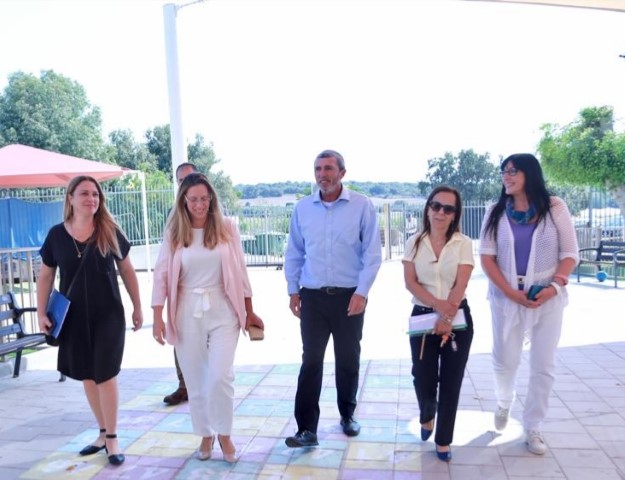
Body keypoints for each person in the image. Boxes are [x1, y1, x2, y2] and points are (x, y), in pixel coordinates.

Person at [151, 172, 264, 463]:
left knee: (220, 376)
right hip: (186, 310)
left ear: (211, 198)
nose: (200, 205)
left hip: (224, 308)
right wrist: (158, 314)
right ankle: (205, 434)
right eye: (193, 200)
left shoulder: (227, 227)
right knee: (195, 379)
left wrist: (249, 310)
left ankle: (224, 434)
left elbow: (240, 271)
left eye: (204, 198)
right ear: (184, 201)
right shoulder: (175, 231)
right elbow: (161, 273)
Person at [36, 175, 143, 466]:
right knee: (87, 374)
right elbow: (45, 276)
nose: (91, 199)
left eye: (95, 194)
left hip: (108, 315)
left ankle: (113, 438)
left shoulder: (109, 230)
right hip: (73, 317)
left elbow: (127, 271)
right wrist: (41, 312)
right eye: (84, 193)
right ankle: (102, 432)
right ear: (70, 198)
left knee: (105, 374)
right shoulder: (56, 235)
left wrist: (137, 306)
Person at [479, 153, 579, 455]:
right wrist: (511, 293)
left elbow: (569, 253)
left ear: (530, 174)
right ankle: (503, 401)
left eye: (513, 171)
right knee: (505, 361)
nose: (506, 177)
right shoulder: (495, 211)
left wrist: (554, 286)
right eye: (504, 172)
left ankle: (533, 426)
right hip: (505, 297)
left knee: (543, 364)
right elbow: (487, 257)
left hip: (547, 298)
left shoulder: (555, 207)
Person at [284, 149, 382, 447]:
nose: (322, 174)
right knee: (311, 361)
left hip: (349, 297)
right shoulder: (303, 209)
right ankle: (306, 429)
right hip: (312, 297)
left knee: (348, 358)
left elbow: (372, 254)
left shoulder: (362, 206)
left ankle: (347, 414)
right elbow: (294, 252)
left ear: (342, 173)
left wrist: (362, 292)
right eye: (318, 169)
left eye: (328, 168)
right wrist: (292, 289)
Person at [402, 186, 474, 462]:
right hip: (423, 316)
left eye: (448, 208)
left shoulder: (463, 243)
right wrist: (436, 307)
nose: (440, 212)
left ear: (455, 214)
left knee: (451, 382)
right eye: (436, 206)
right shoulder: (414, 242)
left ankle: (443, 440)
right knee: (422, 376)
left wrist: (446, 317)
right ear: (428, 208)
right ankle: (427, 413)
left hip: (458, 318)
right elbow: (410, 282)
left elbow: (461, 284)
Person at [162, 162, 198, 406]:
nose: (186, 183)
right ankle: (184, 385)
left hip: (211, 293)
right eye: (181, 180)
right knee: (180, 338)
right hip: (183, 290)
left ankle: (206, 384)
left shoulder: (212, 210)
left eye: (190, 177)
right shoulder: (173, 215)